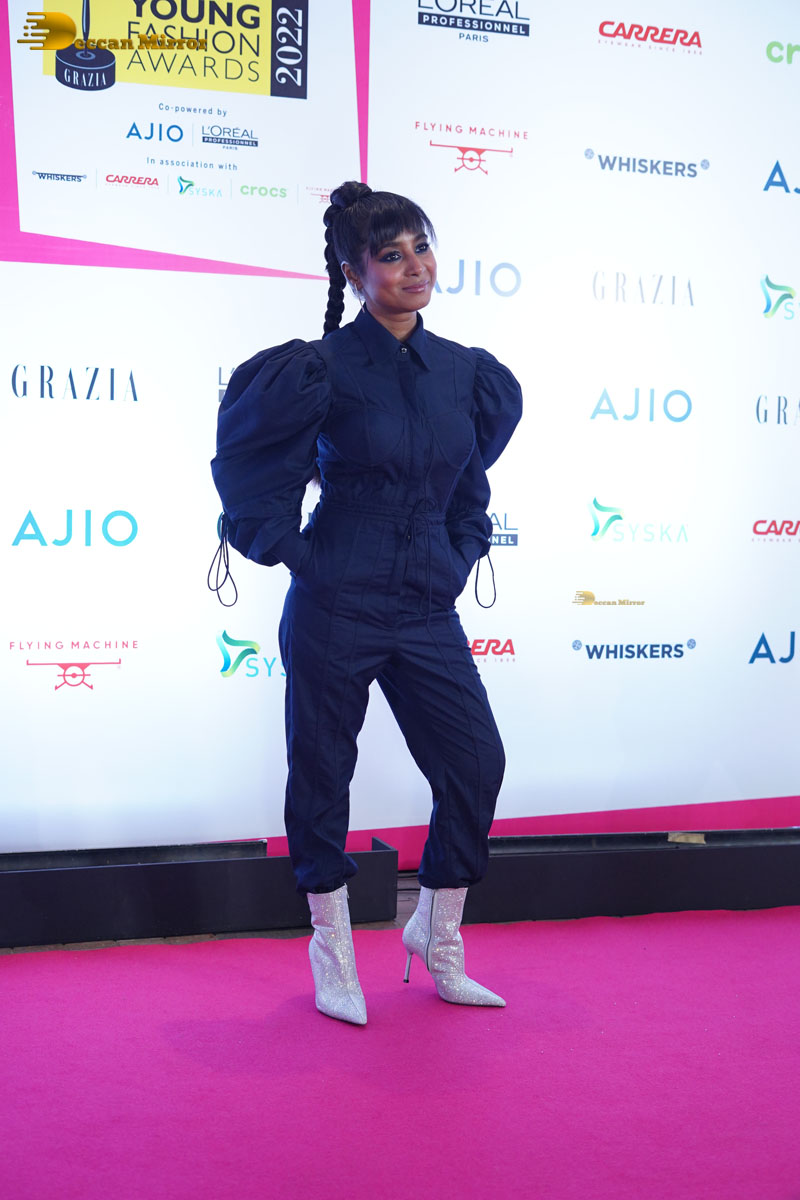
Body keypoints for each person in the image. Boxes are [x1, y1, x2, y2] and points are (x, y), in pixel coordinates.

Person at [211, 181, 522, 1025]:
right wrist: (301, 555)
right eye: (391, 255)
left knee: (476, 763)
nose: (415, 266)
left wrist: (460, 554)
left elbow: (467, 483)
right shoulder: (319, 368)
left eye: (422, 247)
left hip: (427, 604)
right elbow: (251, 472)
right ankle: (333, 950)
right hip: (336, 601)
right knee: (322, 774)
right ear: (354, 273)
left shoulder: (467, 373)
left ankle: (437, 935)